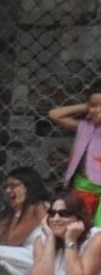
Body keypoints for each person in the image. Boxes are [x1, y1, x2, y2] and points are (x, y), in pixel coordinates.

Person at [49, 84, 101, 225]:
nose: (97, 110)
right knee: (79, 223)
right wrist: (86, 106)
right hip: (82, 185)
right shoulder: (84, 126)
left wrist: (93, 104)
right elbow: (54, 114)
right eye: (93, 106)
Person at [0, 166, 52, 275]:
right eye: (7, 187)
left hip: (39, 257)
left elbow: (12, 241)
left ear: (28, 187)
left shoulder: (36, 206)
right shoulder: (17, 210)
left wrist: (17, 212)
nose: (8, 190)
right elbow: (1, 238)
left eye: (13, 186)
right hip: (24, 258)